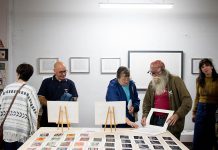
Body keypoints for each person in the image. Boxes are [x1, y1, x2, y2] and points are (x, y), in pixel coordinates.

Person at [141, 60, 192, 139]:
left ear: (163, 71)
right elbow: (146, 102)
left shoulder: (175, 80)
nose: (153, 75)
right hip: (154, 120)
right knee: (155, 144)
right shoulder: (152, 83)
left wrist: (177, 115)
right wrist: (145, 116)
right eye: (151, 73)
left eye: (155, 72)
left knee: (170, 145)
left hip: (170, 121)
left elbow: (187, 100)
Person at [0, 63, 40, 150]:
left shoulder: (7, 88)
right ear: (30, 75)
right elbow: (34, 110)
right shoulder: (30, 90)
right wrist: (33, 130)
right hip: (22, 129)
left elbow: (1, 106)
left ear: (17, 73)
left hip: (7, 129)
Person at [38, 61, 78, 127]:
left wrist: (71, 99)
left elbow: (75, 98)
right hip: (47, 117)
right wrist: (54, 105)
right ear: (54, 71)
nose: (63, 74)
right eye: (60, 72)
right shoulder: (46, 82)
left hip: (64, 118)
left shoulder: (70, 83)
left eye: (65, 71)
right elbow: (41, 98)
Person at [192, 58, 218, 150]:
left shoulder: (217, 79)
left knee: (210, 134)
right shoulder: (199, 79)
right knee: (198, 134)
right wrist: (194, 112)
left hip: (213, 109)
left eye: (207, 65)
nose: (205, 68)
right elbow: (197, 97)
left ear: (211, 66)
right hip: (200, 108)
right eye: (202, 67)